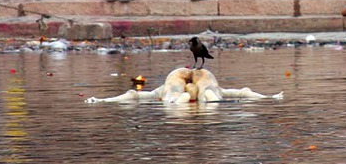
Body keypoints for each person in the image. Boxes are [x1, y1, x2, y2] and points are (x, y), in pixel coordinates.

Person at [85, 67, 283, 105]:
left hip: (177, 85)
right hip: (200, 86)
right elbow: (244, 93)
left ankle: (179, 101)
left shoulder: (163, 91)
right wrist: (269, 98)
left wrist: (103, 100)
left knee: (171, 98)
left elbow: (133, 96)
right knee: (212, 95)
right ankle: (200, 100)